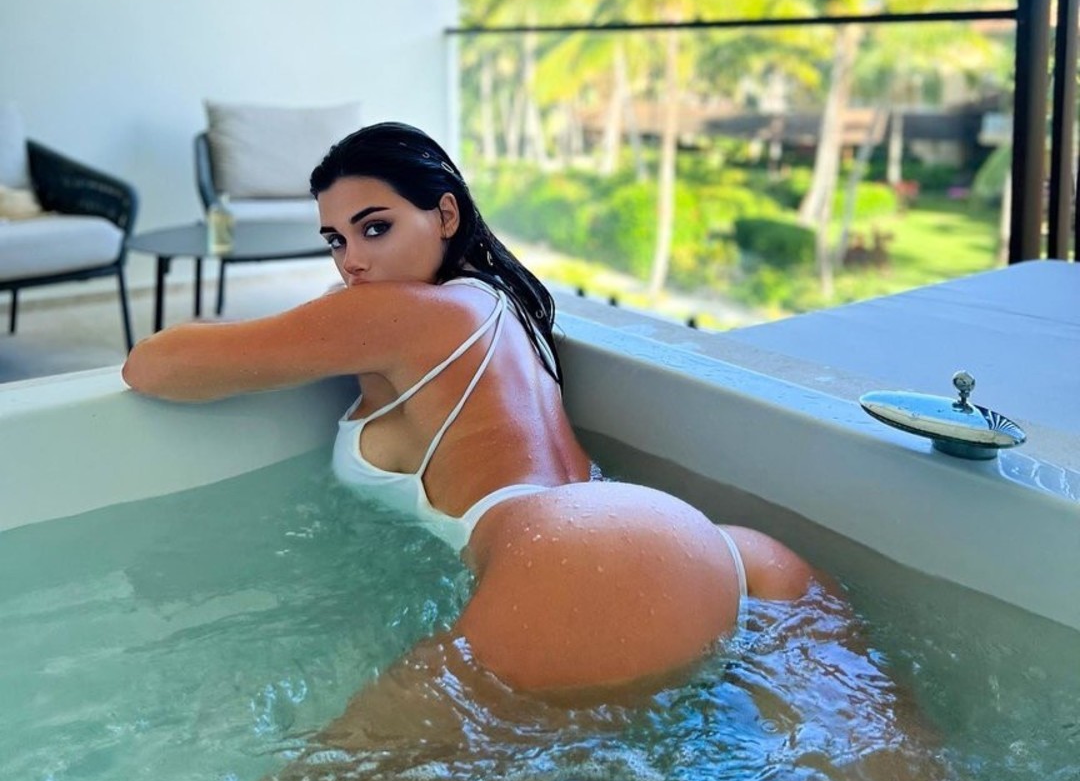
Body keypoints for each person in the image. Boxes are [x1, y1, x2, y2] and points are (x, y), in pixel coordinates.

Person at [123, 122, 818, 700]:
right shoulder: (500, 302)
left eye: (375, 228)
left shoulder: (388, 313)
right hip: (719, 550)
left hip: (577, 563)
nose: (352, 261)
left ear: (446, 216)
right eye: (335, 240)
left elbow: (153, 366)